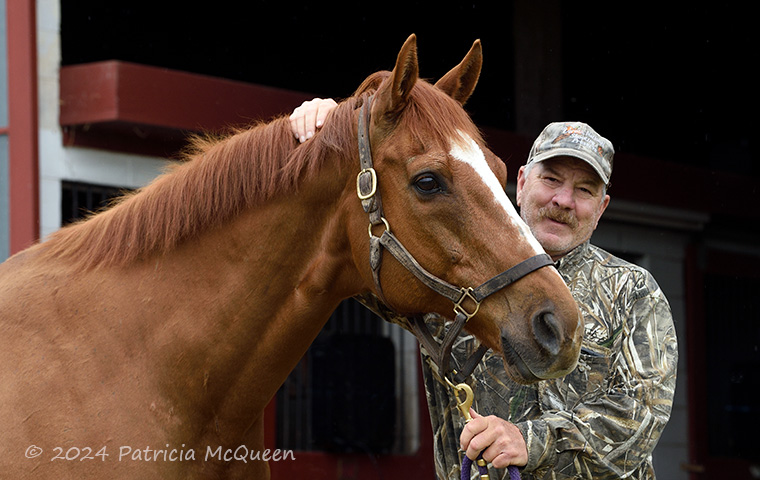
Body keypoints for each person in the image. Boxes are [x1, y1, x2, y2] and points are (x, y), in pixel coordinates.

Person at [290, 99, 678, 480]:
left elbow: (641, 416)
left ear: (602, 207)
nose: (563, 200)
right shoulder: (449, 273)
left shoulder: (632, 289)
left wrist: (530, 441)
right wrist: (334, 126)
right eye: (552, 179)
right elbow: (345, 255)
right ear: (522, 183)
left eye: (585, 190)